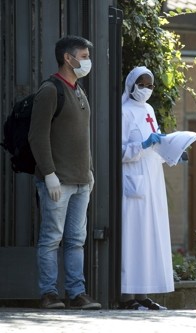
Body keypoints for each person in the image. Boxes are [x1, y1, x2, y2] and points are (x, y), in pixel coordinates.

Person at [29, 35, 101, 310]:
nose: (87, 61)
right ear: (67, 58)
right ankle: (49, 293)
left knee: (75, 240)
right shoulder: (50, 90)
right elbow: (38, 136)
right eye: (83, 57)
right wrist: (48, 174)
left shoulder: (79, 90)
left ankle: (76, 293)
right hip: (58, 181)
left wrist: (90, 172)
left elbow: (81, 137)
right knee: (51, 239)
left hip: (82, 181)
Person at [119, 66, 174, 310]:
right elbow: (118, 151)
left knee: (151, 237)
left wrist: (171, 151)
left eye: (150, 85)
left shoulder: (149, 109)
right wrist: (142, 145)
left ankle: (143, 295)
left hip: (153, 182)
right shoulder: (124, 112)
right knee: (133, 238)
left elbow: (156, 143)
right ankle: (127, 297)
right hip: (134, 183)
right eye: (142, 84)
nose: (146, 89)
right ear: (131, 84)